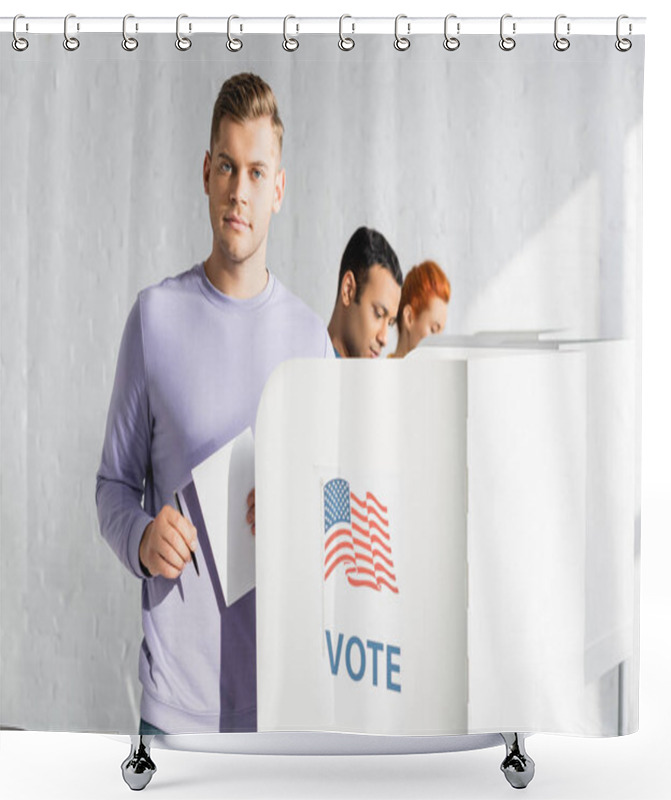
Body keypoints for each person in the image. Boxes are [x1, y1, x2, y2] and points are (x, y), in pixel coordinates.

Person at [96, 73, 333, 735]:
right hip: (176, 706)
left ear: (278, 189)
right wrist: (142, 536)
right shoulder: (155, 318)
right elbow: (112, 484)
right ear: (206, 171)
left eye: (257, 172)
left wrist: (302, 509)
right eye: (227, 166)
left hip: (289, 704)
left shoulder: (311, 338)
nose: (239, 189)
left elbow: (342, 500)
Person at [327, 226, 403, 358]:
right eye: (378, 314)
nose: (384, 339)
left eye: (390, 323)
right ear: (348, 290)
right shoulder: (307, 371)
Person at [391, 260, 451, 358]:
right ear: (409, 317)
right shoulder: (379, 371)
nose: (439, 345)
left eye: (440, 335)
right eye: (434, 330)